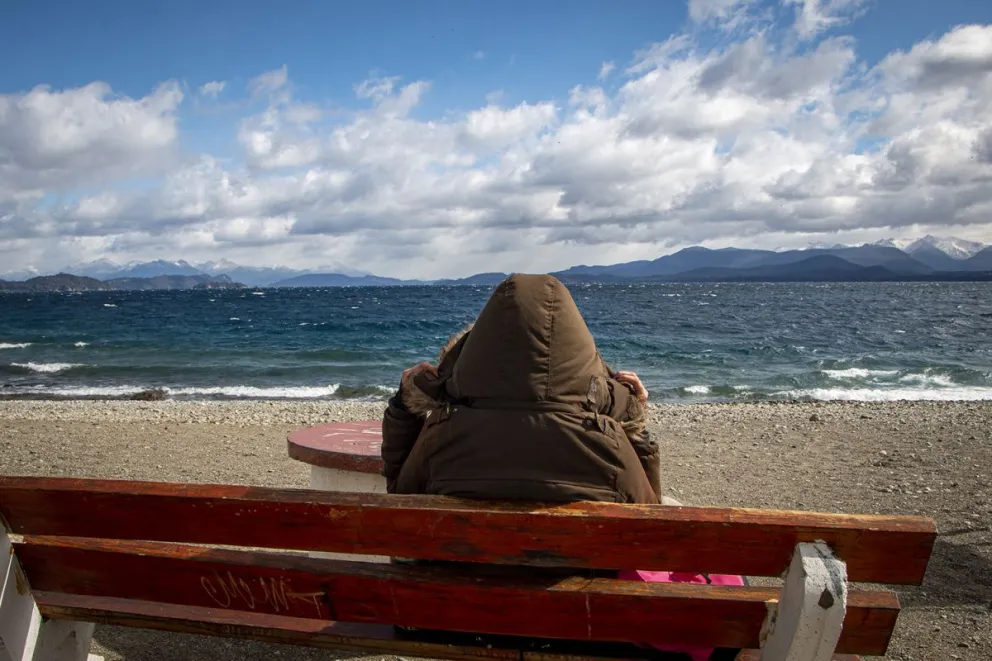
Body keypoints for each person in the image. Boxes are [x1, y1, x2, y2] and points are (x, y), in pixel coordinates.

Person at [381, 273, 660, 505]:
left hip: (457, 570)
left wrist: (405, 406)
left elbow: (400, 499)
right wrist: (634, 421)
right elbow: (651, 521)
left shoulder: (441, 437)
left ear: (476, 361)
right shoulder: (609, 446)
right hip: (580, 573)